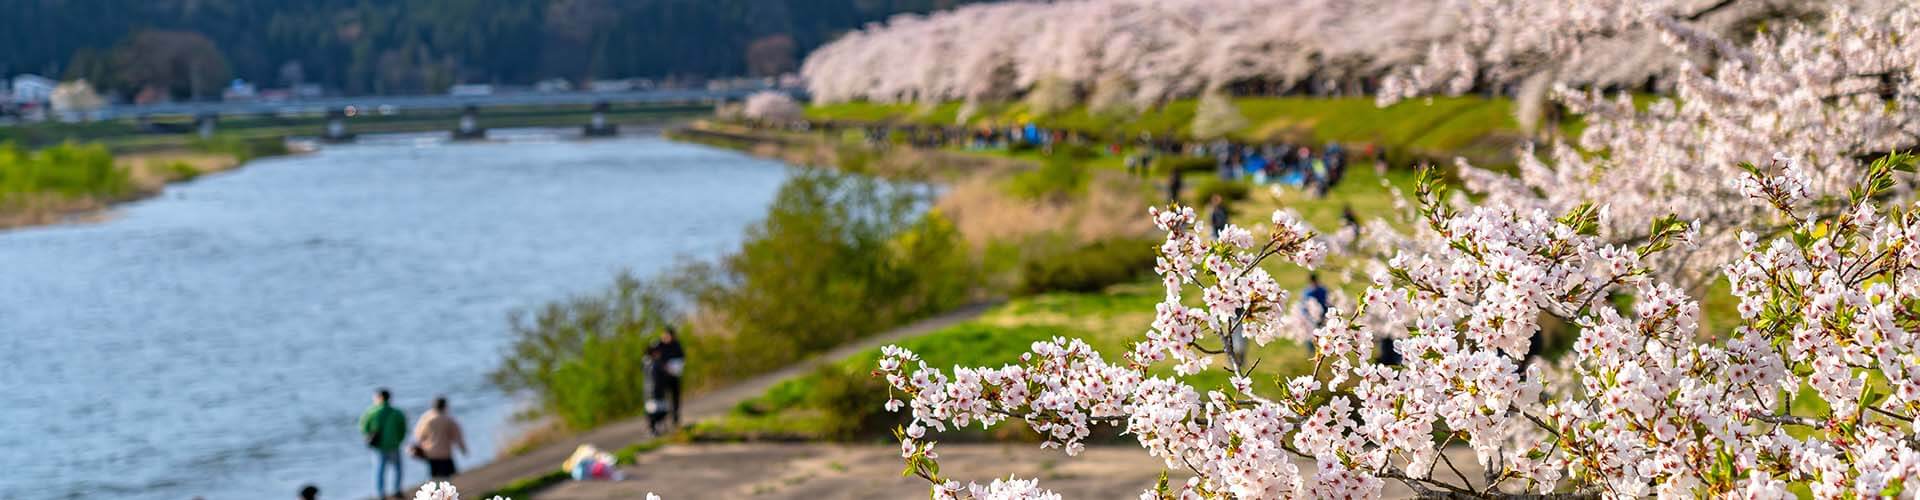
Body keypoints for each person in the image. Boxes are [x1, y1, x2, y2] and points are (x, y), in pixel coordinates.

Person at [359, 388, 407, 499]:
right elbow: (403, 429)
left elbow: (363, 427)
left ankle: (380, 494)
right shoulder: (397, 412)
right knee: (398, 469)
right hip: (394, 445)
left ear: (379, 398)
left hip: (378, 446)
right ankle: (397, 490)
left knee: (379, 471)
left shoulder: (371, 412)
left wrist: (370, 436)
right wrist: (399, 440)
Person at [412, 396, 468, 479]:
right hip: (445, 454)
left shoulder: (426, 418)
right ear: (445, 406)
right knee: (445, 479)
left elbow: (418, 435)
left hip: (430, 453)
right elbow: (457, 437)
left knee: (433, 478)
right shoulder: (448, 419)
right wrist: (463, 449)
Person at [652, 327, 687, 428]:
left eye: (669, 335)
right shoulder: (658, 345)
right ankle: (661, 421)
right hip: (662, 378)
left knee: (675, 398)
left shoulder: (676, 345)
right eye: (665, 335)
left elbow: (682, 357)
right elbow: (650, 355)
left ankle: (675, 419)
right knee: (662, 400)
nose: (667, 337)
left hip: (674, 376)